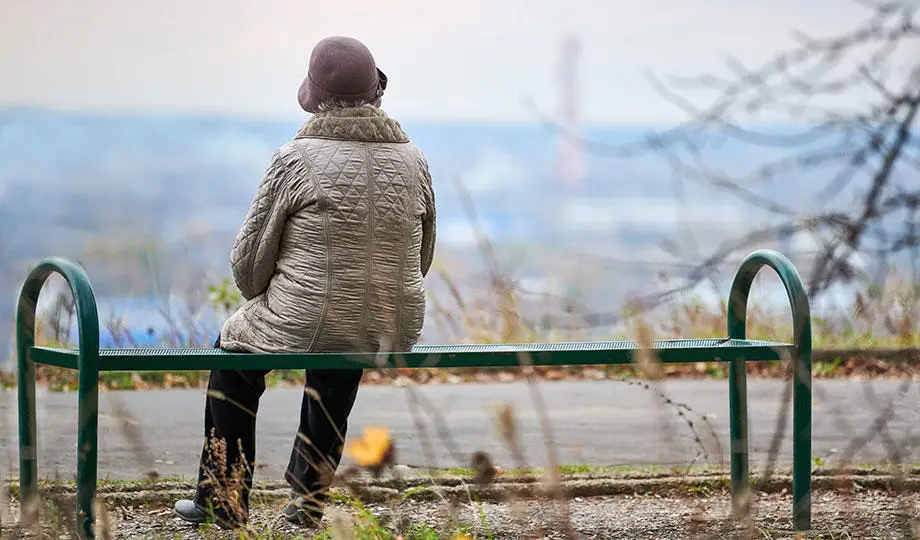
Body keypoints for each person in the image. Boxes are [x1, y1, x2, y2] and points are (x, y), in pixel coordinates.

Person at [173, 35, 436, 529]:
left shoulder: (295, 158)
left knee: (232, 360)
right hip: (391, 322)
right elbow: (421, 258)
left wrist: (278, 296)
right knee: (345, 347)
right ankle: (308, 502)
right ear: (375, 94)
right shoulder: (414, 160)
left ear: (316, 98)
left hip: (307, 317)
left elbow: (249, 267)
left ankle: (223, 500)